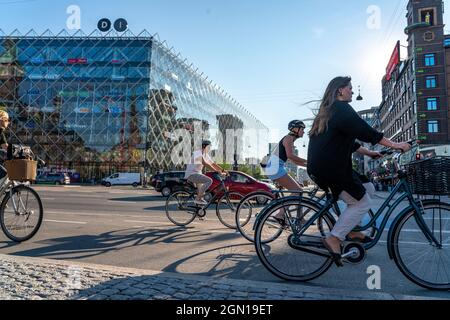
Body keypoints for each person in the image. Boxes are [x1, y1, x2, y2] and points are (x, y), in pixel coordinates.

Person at [307, 76, 411, 266]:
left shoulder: (332, 112)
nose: (352, 91)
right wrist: (396, 145)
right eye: (350, 88)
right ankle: (334, 238)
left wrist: (370, 153)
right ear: (340, 90)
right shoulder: (341, 109)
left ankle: (352, 229)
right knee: (362, 202)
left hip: (327, 165)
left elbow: (351, 142)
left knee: (368, 187)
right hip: (331, 167)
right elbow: (367, 131)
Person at [263, 120, 308, 225]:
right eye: (302, 129)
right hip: (275, 168)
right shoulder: (288, 138)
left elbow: (293, 160)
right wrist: (308, 161)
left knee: (299, 191)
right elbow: (291, 156)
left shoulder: (290, 139)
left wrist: (308, 165)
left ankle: (300, 218)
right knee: (297, 191)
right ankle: (280, 214)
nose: (303, 132)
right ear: (295, 129)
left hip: (276, 167)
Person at [185, 140, 227, 206]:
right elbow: (205, 163)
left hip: (198, 174)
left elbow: (213, 164)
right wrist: (216, 171)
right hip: (192, 174)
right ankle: (197, 198)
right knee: (209, 181)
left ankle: (198, 211)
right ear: (204, 146)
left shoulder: (206, 155)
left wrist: (223, 170)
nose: (210, 148)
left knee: (202, 193)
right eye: (209, 147)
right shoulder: (197, 153)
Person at [0, 110, 10, 188]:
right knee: (3, 172)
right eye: (6, 120)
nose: (7, 122)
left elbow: (5, 147)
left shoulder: (1, 132)